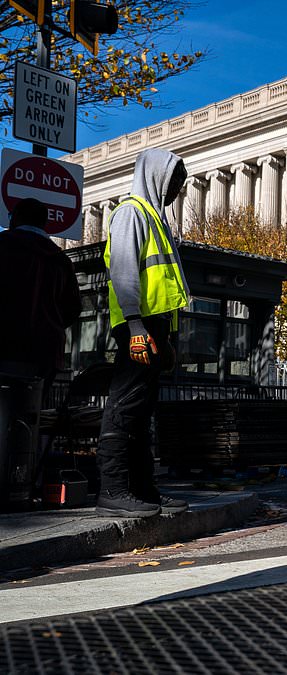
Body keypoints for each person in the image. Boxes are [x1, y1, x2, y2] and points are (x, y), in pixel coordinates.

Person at [97, 148, 190, 518]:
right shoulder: (131, 213)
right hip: (137, 327)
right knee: (123, 407)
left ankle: (142, 489)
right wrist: (136, 326)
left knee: (140, 410)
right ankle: (114, 489)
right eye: (173, 183)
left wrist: (164, 336)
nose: (175, 191)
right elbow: (122, 271)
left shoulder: (155, 219)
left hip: (152, 328)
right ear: (155, 178)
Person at [0, 199, 81, 507]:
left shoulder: (4, 246)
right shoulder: (59, 259)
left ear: (16, 218)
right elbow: (72, 308)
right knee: (30, 418)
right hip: (44, 352)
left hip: (5, 344)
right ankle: (22, 483)